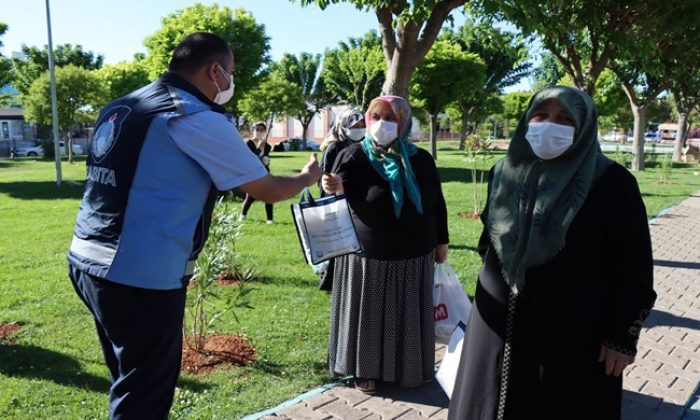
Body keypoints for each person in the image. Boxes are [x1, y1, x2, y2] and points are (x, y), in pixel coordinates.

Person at [67, 32, 322, 419]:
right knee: (144, 396)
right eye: (231, 73)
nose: (230, 83)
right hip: (139, 274)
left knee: (128, 378)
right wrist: (306, 178)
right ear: (215, 71)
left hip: (87, 259)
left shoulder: (122, 107)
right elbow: (265, 188)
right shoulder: (191, 116)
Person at [448, 86, 656, 420]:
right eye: (541, 115)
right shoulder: (503, 172)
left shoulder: (613, 183)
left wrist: (621, 337)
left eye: (564, 119)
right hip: (496, 325)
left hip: (571, 336)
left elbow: (634, 267)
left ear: (583, 126)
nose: (549, 126)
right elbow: (489, 240)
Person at [322, 95, 449, 393]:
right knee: (370, 317)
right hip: (369, 257)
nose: (382, 125)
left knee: (406, 315)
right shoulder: (354, 155)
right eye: (376, 117)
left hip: (414, 255)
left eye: (390, 119)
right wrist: (336, 187)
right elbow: (336, 197)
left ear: (404, 123)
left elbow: (437, 203)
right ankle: (365, 369)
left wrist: (442, 240)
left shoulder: (421, 159)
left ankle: (407, 367)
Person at [316, 107, 365, 290]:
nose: (359, 128)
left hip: (358, 202)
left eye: (362, 124)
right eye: (354, 125)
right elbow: (324, 177)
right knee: (338, 247)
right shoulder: (335, 147)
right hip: (338, 203)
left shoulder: (365, 145)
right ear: (344, 125)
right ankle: (330, 281)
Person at [240, 121, 274, 224]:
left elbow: (265, 159)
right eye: (257, 129)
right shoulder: (248, 144)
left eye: (262, 130)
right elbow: (251, 159)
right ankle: (242, 215)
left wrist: (266, 160)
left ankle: (270, 219)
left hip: (265, 173)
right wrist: (259, 148)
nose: (259, 132)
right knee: (250, 196)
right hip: (252, 174)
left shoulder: (267, 145)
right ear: (252, 130)